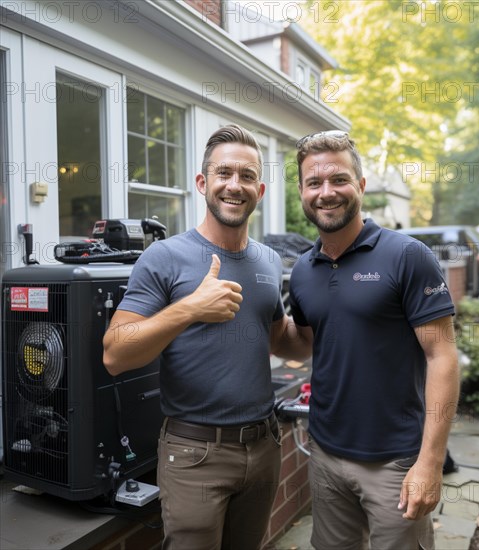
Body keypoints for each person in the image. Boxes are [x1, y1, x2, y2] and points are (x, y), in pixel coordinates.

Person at [103, 124, 312, 550]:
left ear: (261, 188)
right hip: (195, 453)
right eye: (224, 173)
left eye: (247, 176)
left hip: (264, 444)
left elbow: (281, 341)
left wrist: (328, 314)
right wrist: (191, 309)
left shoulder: (269, 261)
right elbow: (115, 353)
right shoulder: (164, 256)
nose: (235, 185)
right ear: (203, 182)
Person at [289, 130, 460, 550]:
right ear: (302, 192)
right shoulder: (302, 271)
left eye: (339, 179)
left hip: (396, 462)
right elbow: (307, 343)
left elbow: (443, 358)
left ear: (361, 186)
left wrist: (430, 462)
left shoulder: (406, 256)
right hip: (326, 454)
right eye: (314, 183)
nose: (326, 193)